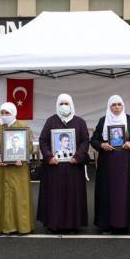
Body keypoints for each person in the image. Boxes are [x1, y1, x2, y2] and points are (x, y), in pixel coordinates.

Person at [90, 95, 130, 234]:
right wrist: (102, 145)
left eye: (119, 104)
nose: (117, 107)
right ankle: (106, 225)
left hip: (126, 164)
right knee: (107, 192)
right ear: (109, 106)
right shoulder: (103, 121)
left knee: (127, 194)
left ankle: (129, 225)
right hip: (108, 164)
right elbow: (94, 140)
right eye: (114, 105)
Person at [37, 94, 90, 233]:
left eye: (66, 103)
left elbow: (85, 141)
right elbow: (42, 140)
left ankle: (73, 224)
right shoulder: (51, 121)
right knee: (55, 196)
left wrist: (78, 156)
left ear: (71, 104)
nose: (64, 106)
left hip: (74, 167)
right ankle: (54, 224)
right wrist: (48, 156)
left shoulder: (79, 122)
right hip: (55, 167)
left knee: (73, 196)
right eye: (61, 103)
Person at [0, 102, 35, 235]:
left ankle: (22, 226)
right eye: (2, 112)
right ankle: (0, 226)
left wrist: (23, 157)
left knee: (20, 197)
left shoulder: (23, 126)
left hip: (18, 169)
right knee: (0, 195)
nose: (4, 115)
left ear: (14, 113)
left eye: (7, 113)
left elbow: (30, 147)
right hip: (0, 168)